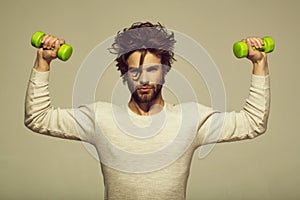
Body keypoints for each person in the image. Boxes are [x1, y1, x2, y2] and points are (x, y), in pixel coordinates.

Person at [24, 22, 270, 199]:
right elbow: (37, 118)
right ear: (125, 75)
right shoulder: (102, 119)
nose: (143, 79)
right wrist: (43, 62)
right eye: (135, 72)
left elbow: (253, 123)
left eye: (152, 70)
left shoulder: (190, 119)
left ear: (164, 71)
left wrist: (259, 63)